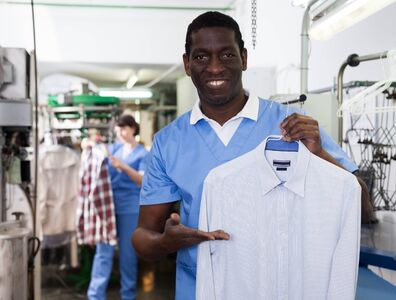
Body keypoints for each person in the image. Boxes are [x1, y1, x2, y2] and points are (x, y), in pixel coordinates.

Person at [132, 11, 371, 300]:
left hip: (281, 288)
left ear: (244, 58)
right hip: (201, 288)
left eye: (227, 55)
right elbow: (143, 237)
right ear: (187, 64)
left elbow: (363, 207)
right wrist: (166, 243)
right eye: (201, 57)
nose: (216, 68)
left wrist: (319, 154)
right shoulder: (169, 142)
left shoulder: (291, 125)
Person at [88, 115, 148, 300]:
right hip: (108, 206)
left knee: (127, 255)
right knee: (103, 252)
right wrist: (88, 144)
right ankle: (95, 296)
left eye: (123, 129)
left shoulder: (143, 154)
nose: (120, 134)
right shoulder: (113, 149)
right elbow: (97, 152)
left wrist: (124, 167)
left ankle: (127, 295)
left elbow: (142, 180)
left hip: (129, 208)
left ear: (133, 129)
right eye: (117, 131)